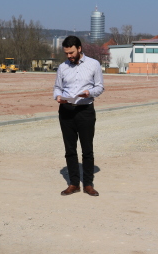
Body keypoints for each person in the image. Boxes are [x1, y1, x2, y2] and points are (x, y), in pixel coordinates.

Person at [53, 36, 105, 197]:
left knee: (87, 150)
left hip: (85, 111)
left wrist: (90, 92)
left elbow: (100, 87)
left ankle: (88, 184)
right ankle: (74, 183)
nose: (69, 56)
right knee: (70, 150)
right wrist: (58, 97)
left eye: (71, 52)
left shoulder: (93, 64)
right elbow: (57, 88)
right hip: (66, 111)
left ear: (80, 49)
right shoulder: (62, 67)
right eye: (67, 53)